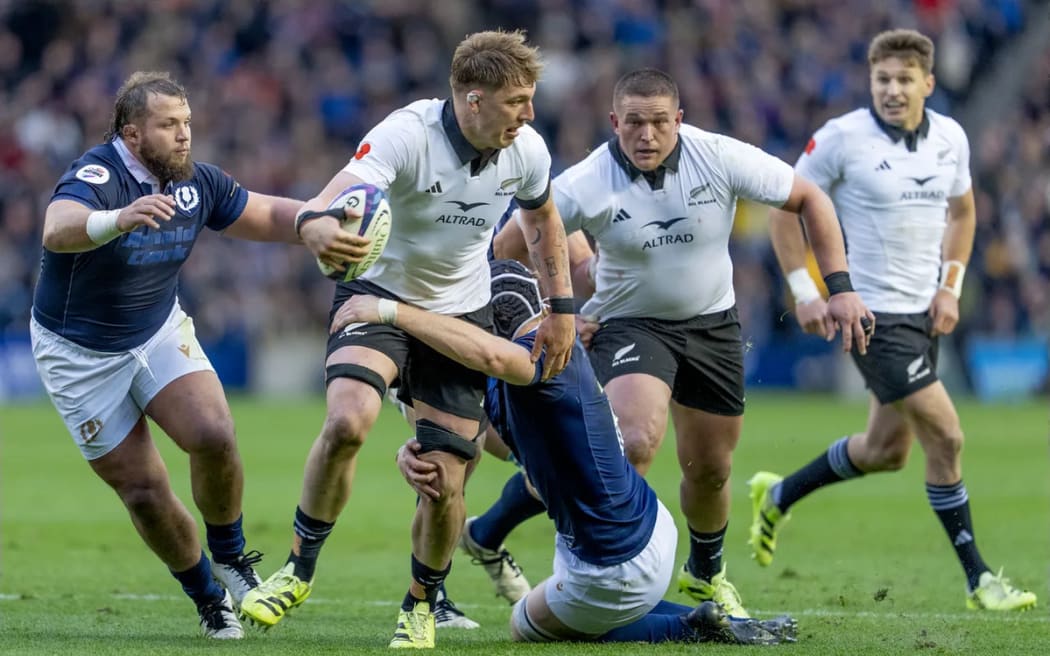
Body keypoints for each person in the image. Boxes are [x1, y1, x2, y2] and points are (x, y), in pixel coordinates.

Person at [492, 68, 873, 617]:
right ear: (614, 122)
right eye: (635, 124)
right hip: (630, 325)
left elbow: (809, 198)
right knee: (636, 442)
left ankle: (705, 573)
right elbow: (511, 245)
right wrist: (559, 311)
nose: (647, 135)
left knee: (711, 468)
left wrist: (838, 289)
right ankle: (605, 570)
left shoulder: (716, 155)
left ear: (679, 120)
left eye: (659, 123)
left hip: (712, 326)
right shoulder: (586, 182)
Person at [239, 30, 576, 640]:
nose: (528, 115)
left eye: (531, 100)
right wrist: (316, 221)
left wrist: (562, 308)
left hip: (462, 312)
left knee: (446, 480)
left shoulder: (526, 150)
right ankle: (297, 569)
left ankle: (421, 602)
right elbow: (346, 185)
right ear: (472, 100)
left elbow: (542, 219)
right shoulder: (408, 133)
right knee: (346, 423)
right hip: (379, 295)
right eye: (516, 101)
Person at [29, 71, 358, 639]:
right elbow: (56, 229)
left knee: (213, 433)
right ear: (132, 135)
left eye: (187, 123)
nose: (184, 136)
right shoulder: (98, 175)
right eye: (168, 125)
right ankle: (208, 597)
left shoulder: (193, 182)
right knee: (144, 490)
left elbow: (264, 214)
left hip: (156, 330)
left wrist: (313, 223)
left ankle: (230, 556)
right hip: (78, 353)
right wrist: (117, 220)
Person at [332, 259, 797, 647]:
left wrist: (389, 310)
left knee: (523, 624)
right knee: (553, 501)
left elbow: (492, 357)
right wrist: (417, 450)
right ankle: (714, 615)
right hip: (651, 525)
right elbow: (483, 438)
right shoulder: (542, 357)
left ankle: (688, 626)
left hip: (614, 565)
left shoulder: (535, 357)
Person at [752, 29, 1037, 611]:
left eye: (904, 79)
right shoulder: (841, 139)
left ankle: (778, 495)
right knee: (949, 436)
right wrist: (808, 291)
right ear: (871, 81)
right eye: (882, 78)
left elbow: (963, 213)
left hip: (924, 315)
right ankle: (980, 579)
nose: (891, 89)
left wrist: (950, 287)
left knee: (886, 450)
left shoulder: (950, 137)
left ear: (927, 84)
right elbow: (785, 213)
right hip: (872, 317)